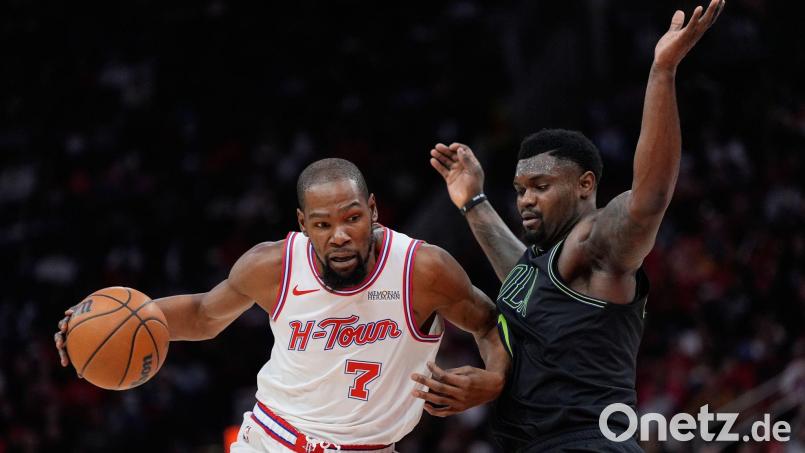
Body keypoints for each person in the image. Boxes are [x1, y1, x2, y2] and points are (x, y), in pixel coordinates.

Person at [415, 1, 725, 451]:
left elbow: (649, 199)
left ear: (584, 185)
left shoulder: (594, 242)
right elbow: (520, 276)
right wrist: (474, 202)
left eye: (540, 185)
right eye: (520, 189)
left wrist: (662, 72)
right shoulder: (546, 263)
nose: (525, 199)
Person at [54, 158, 509, 453]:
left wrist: (494, 381)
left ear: (373, 210)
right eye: (323, 223)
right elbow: (202, 316)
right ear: (302, 223)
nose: (340, 235)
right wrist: (92, 328)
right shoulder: (272, 265)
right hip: (271, 439)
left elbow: (490, 324)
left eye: (352, 217)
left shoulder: (421, 270)